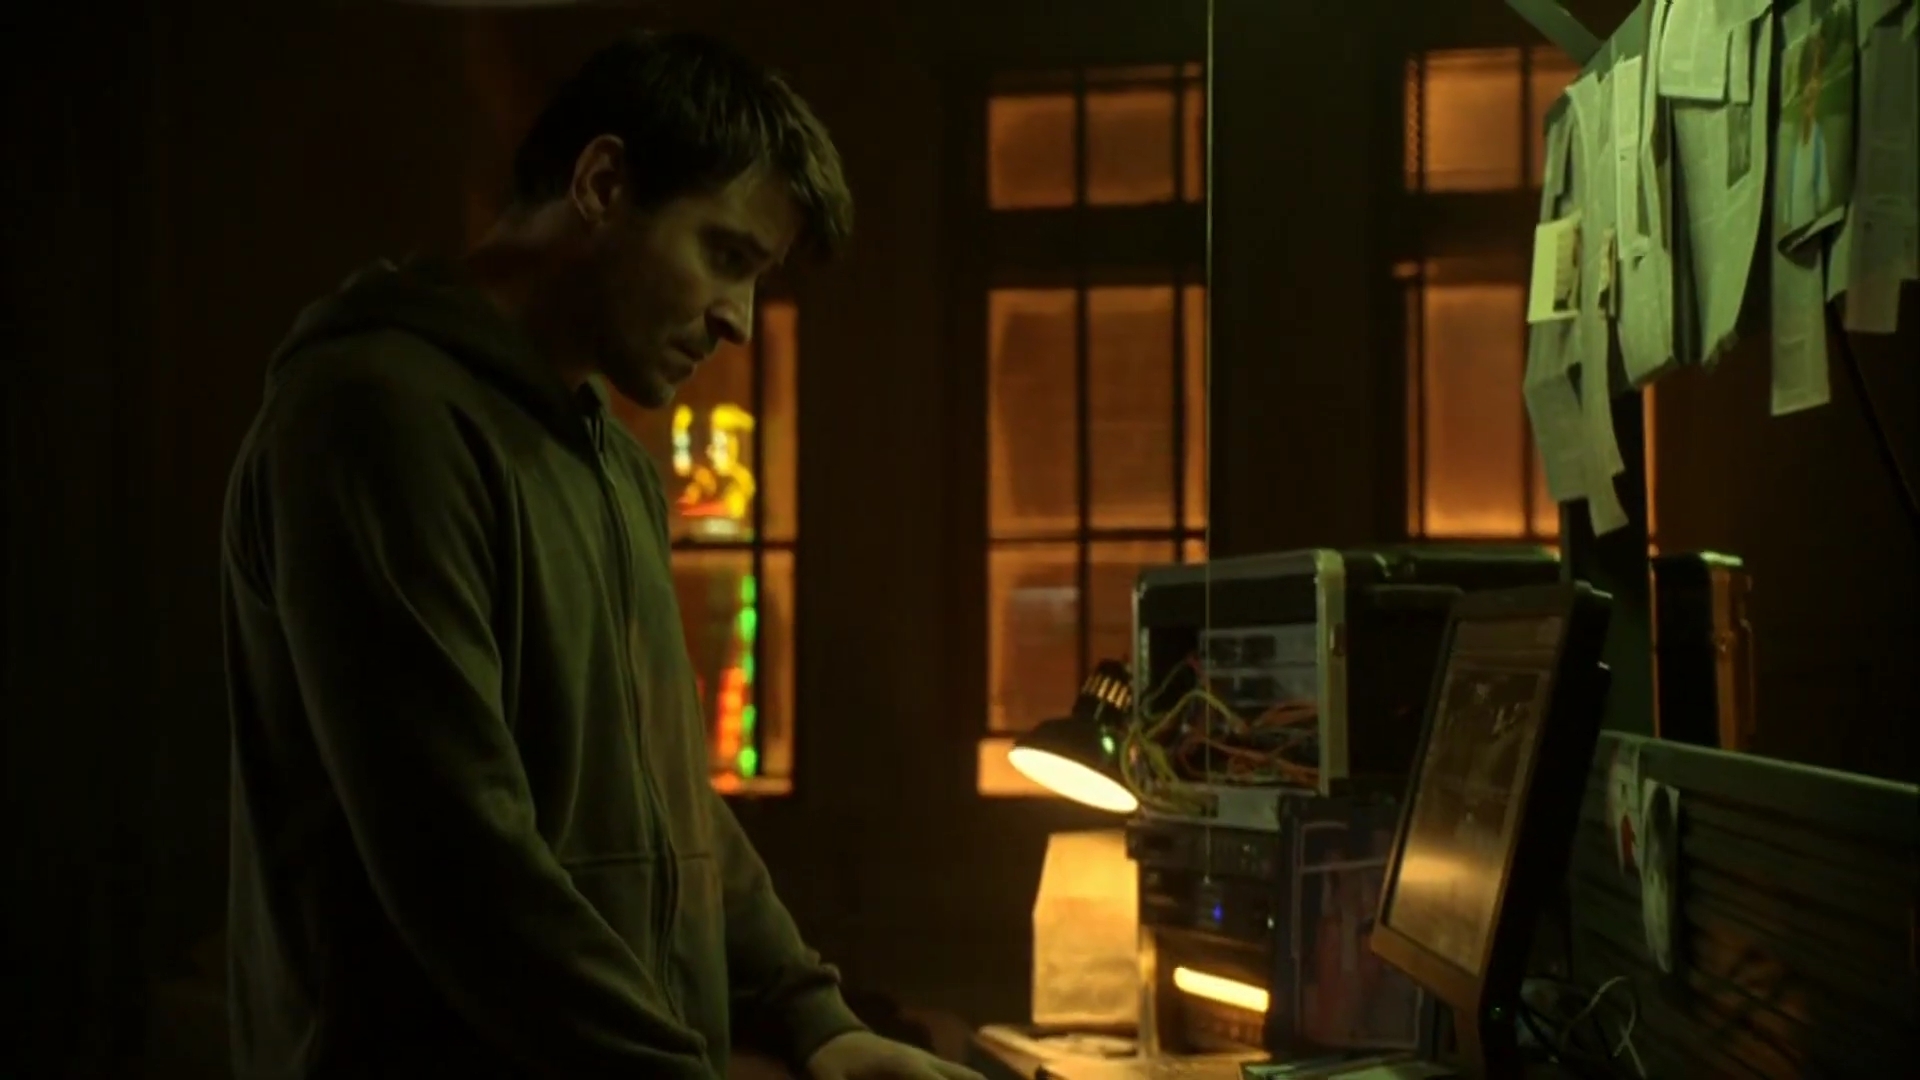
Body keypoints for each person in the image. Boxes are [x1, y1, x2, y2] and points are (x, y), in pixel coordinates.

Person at [221, 30, 983, 1080]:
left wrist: (819, 1022)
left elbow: (675, 801)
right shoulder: (375, 416)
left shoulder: (614, 464)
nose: (739, 321)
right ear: (603, 185)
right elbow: (457, 855)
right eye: (726, 256)